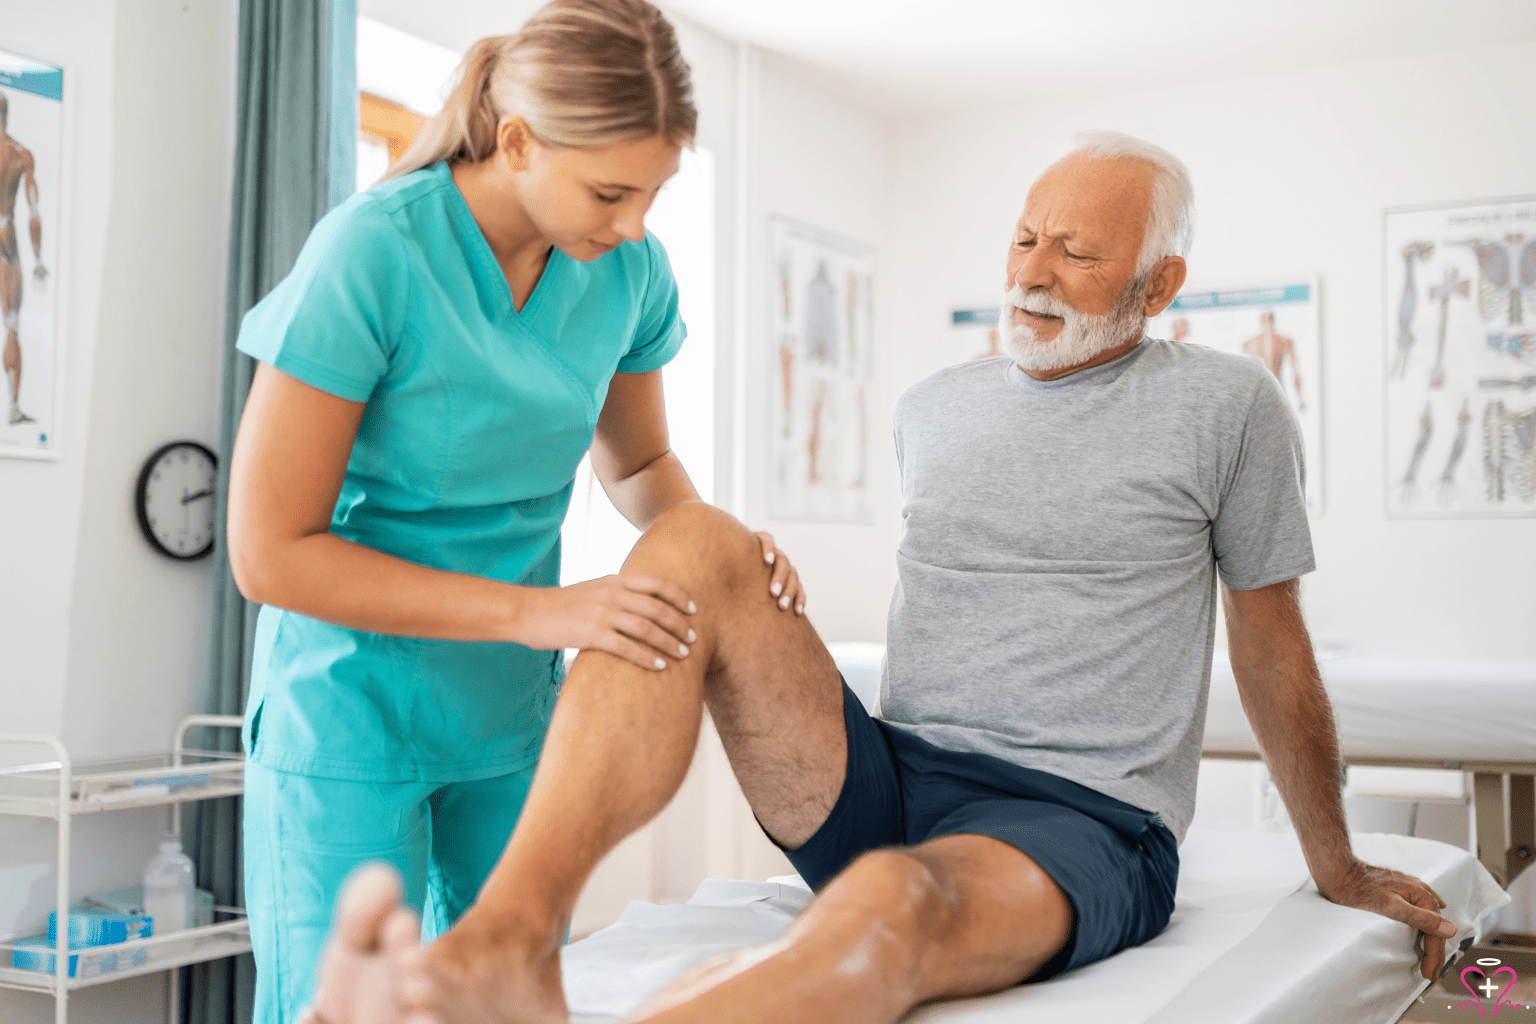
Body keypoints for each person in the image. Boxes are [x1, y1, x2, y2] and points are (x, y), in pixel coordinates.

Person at [300, 131, 1457, 1024]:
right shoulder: (932, 407)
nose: (1033, 272)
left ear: (1159, 288)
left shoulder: (1226, 406)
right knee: (695, 541)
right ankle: (508, 936)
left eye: (1080, 253)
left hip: (1078, 821)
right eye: (1023, 238)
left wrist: (1336, 859)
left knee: (890, 906)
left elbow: (1268, 638)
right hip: (885, 781)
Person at [225, 2, 807, 1020]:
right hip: (350, 710)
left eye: (654, 194)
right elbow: (270, 553)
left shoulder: (625, 271)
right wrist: (542, 611)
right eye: (611, 192)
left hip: (511, 718)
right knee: (353, 1004)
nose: (632, 226)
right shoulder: (374, 252)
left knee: (516, 993)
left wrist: (722, 551)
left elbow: (643, 465)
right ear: (518, 139)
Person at [0, 90, 48, 427]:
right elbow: (33, 213)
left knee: (13, 326)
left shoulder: (21, 154)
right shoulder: (19, 155)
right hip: (5, 237)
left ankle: (15, 409)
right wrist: (38, 258)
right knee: (11, 325)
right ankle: (13, 408)